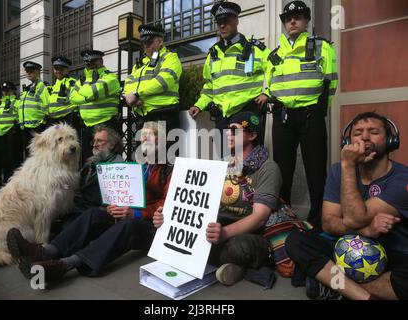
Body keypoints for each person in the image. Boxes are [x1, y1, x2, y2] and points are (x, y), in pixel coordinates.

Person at [7, 121, 172, 284]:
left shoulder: (169, 169)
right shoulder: (140, 165)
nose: (143, 139)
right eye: (142, 135)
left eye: (149, 135)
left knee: (128, 225)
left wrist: (137, 213)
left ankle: (64, 265)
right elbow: (129, 195)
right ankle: (45, 252)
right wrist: (116, 205)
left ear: (161, 140)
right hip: (131, 214)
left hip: (153, 226)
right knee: (94, 215)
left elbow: (168, 204)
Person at [285, 112, 408, 300]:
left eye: (373, 131)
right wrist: (366, 231)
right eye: (358, 133)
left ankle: (333, 284)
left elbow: (353, 218)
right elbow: (328, 223)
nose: (365, 137)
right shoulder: (339, 168)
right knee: (296, 241)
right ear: (347, 142)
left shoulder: (402, 178)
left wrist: (348, 165)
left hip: (392, 251)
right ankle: (363, 296)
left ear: (391, 140)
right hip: (343, 245)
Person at [154, 112, 282, 287]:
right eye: (227, 129)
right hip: (217, 226)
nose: (228, 133)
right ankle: (233, 266)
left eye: (235, 129)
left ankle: (225, 262)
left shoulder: (268, 168)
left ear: (252, 135)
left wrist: (224, 234)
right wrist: (169, 217)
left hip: (248, 233)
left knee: (239, 247)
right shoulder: (221, 163)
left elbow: (259, 218)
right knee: (166, 232)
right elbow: (198, 203)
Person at [262, 1, 338, 230]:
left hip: (310, 116)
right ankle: (284, 217)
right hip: (283, 118)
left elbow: (331, 82)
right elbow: (271, 85)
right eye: (287, 18)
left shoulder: (321, 47)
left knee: (315, 169)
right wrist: (267, 96)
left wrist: (320, 110)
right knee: (282, 169)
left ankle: (318, 220)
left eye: (297, 17)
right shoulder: (274, 55)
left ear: (306, 21)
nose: (292, 21)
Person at [188, 1, 270, 130]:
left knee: (249, 151)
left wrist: (267, 93)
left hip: (247, 113)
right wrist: (199, 105)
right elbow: (209, 87)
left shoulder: (254, 48)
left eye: (226, 20)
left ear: (236, 20)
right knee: (224, 151)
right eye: (219, 21)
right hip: (222, 117)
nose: (222, 25)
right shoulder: (213, 54)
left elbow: (276, 70)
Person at [123, 24, 182, 140]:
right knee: (144, 156)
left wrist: (136, 94)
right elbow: (128, 83)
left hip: (163, 115)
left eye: (149, 42)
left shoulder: (170, 58)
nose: (145, 46)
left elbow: (163, 82)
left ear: (160, 41)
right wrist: (130, 98)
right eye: (143, 42)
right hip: (143, 117)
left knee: (165, 157)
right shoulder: (140, 64)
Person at [70, 50, 120, 164]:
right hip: (87, 127)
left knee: (107, 161)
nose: (91, 65)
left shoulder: (110, 77)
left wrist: (81, 91)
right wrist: (87, 97)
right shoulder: (83, 80)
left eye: (94, 61)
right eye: (88, 63)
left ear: (101, 61)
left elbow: (91, 93)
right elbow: (72, 97)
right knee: (88, 161)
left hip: (106, 125)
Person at [17, 61, 50, 157]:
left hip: (36, 127)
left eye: (31, 71)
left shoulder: (42, 87)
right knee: (28, 155)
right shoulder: (27, 89)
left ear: (38, 72)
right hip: (25, 128)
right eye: (27, 71)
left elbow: (48, 105)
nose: (29, 73)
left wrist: (42, 123)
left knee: (37, 155)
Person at [0, 81, 22, 183]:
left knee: (13, 158)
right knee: (4, 158)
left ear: (13, 91)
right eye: (3, 90)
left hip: (12, 131)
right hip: (2, 133)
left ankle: (14, 181)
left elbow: (20, 115)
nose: (5, 92)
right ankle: (6, 179)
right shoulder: (1, 103)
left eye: (7, 90)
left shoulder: (16, 101)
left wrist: (16, 126)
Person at [47, 56, 77, 127]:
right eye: (56, 69)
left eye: (61, 69)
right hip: (53, 121)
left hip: (67, 120)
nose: (58, 71)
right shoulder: (54, 86)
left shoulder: (72, 83)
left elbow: (77, 102)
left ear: (67, 70)